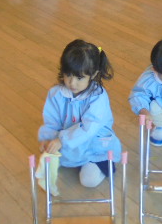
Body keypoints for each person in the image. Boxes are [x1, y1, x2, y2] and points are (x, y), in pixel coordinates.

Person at [38, 40, 122, 188]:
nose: (72, 83)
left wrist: (61, 140)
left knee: (88, 181)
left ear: (93, 74)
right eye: (68, 75)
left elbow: (88, 128)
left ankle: (104, 163)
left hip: (94, 145)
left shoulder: (98, 97)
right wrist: (47, 138)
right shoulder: (55, 94)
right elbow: (51, 121)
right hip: (69, 140)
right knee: (48, 161)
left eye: (79, 78)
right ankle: (75, 158)